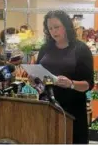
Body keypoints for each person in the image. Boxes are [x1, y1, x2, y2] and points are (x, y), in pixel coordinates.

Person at [36, 10, 94, 144]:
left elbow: (88, 84)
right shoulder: (45, 48)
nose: (53, 31)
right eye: (50, 28)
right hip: (47, 105)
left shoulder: (81, 49)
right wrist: (35, 81)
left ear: (66, 26)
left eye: (57, 27)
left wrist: (71, 84)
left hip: (72, 110)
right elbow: (38, 74)